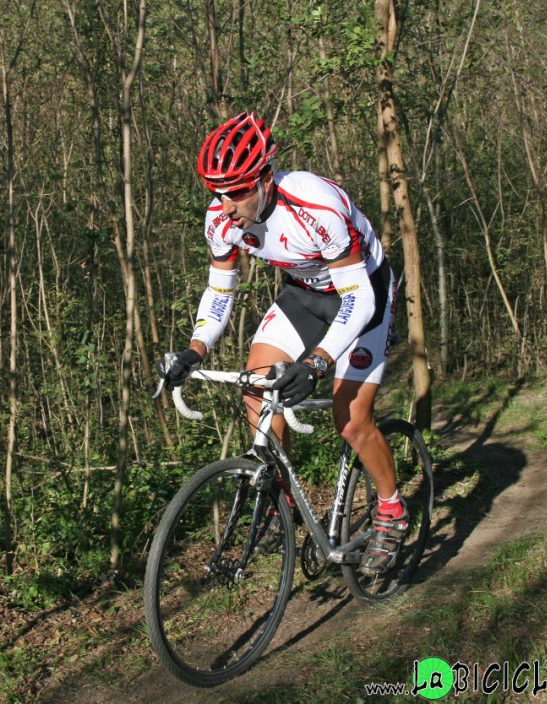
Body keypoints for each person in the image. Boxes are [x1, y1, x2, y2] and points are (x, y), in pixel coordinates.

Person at [160, 111, 404, 576]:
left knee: (351, 421)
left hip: (362, 292)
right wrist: (195, 350)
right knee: (255, 386)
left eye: (237, 192)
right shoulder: (221, 219)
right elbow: (219, 290)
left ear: (266, 179)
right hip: (305, 295)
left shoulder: (317, 206)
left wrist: (316, 363)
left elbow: (358, 299)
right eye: (217, 193)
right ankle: (281, 500)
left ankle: (392, 509)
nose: (226, 205)